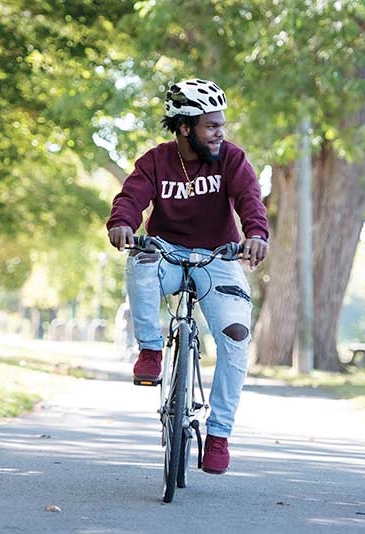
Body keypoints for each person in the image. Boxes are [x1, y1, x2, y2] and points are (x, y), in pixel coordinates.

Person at [106, 78, 269, 475]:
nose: (220, 133)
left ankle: (218, 435)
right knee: (139, 262)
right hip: (166, 253)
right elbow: (131, 196)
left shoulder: (231, 158)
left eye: (222, 126)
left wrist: (256, 235)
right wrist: (122, 223)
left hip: (219, 256)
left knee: (235, 338)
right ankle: (150, 351)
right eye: (211, 126)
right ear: (184, 126)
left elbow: (249, 198)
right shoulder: (156, 161)